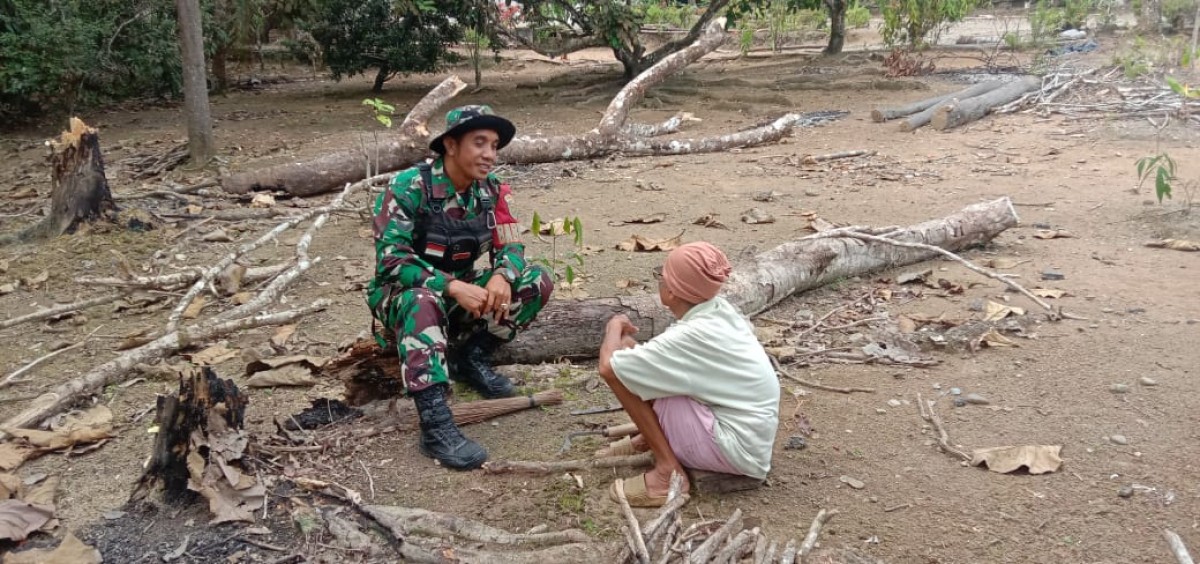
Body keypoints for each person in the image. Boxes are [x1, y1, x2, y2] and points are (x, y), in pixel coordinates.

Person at [368, 105, 553, 470]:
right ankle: (435, 424)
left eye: (494, 145)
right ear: (450, 145)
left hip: (460, 292)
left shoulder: (493, 190)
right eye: (479, 142)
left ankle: (470, 358)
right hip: (402, 296)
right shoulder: (409, 187)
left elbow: (513, 245)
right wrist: (450, 286)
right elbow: (391, 260)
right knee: (422, 300)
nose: (489, 154)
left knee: (536, 280)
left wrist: (502, 275)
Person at [597, 242, 779, 507]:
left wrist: (613, 326)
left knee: (623, 368)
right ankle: (648, 439)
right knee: (631, 354)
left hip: (738, 450)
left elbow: (608, 368)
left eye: (661, 276)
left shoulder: (691, 336)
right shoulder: (718, 310)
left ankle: (667, 472)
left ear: (671, 292)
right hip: (750, 438)